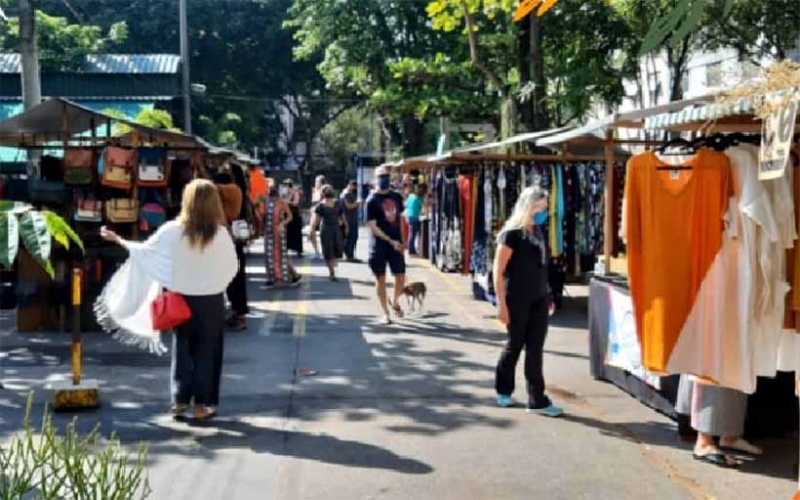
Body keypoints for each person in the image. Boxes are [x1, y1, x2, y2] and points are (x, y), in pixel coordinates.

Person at [98, 179, 238, 421]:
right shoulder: (221, 233)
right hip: (211, 303)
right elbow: (232, 267)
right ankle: (201, 406)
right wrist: (213, 284)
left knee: (182, 349)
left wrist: (118, 240)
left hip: (180, 299)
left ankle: (179, 401)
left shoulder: (172, 231)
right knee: (207, 352)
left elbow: (145, 252)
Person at [494, 185, 563, 418]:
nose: (544, 212)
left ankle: (537, 400)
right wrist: (501, 305)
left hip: (539, 298)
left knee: (536, 349)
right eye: (540, 207)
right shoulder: (511, 234)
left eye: (545, 208)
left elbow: (544, 266)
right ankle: (504, 390)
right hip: (516, 298)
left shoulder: (539, 232)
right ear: (529, 206)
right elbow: (498, 270)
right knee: (515, 344)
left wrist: (550, 294)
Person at [366, 165, 406, 325]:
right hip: (379, 245)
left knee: (401, 277)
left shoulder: (396, 196)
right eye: (381, 176)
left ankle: (395, 301)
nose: (384, 178)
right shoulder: (371, 200)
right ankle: (385, 313)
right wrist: (391, 241)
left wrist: (403, 242)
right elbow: (373, 226)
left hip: (396, 244)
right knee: (380, 278)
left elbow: (401, 220)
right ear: (376, 178)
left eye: (387, 176)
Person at [216, 164, 250, 331]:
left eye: (224, 168)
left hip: (230, 238)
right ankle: (238, 314)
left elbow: (208, 186)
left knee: (234, 278)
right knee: (233, 278)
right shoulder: (238, 190)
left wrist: (199, 167)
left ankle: (240, 315)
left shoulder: (231, 189)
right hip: (234, 238)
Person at [264, 187, 301, 288]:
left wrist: (282, 224)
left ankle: (294, 275)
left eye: (275, 198)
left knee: (282, 255)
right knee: (269, 255)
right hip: (268, 231)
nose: (273, 200)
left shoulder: (282, 203)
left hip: (279, 232)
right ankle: (271, 279)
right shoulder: (266, 201)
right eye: (271, 198)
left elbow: (290, 216)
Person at [311, 185, 347, 281]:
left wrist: (346, 226)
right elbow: (316, 221)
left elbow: (342, 216)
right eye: (326, 190)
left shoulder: (337, 203)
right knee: (328, 251)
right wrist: (312, 231)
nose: (329, 191)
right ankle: (331, 272)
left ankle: (332, 266)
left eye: (330, 189)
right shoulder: (320, 206)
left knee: (337, 250)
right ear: (323, 193)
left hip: (336, 229)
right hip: (326, 230)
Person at [282, 179, 304, 257]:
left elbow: (295, 203)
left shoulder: (295, 192)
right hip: (286, 214)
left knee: (296, 232)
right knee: (286, 233)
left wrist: (288, 202)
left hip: (294, 214)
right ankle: (286, 248)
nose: (285, 187)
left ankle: (298, 250)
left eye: (286, 185)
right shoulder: (284, 193)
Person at [341, 180, 361, 262]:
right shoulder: (347, 194)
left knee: (352, 237)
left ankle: (350, 254)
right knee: (351, 237)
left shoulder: (349, 194)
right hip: (349, 219)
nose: (355, 188)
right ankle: (349, 255)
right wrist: (357, 203)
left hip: (351, 218)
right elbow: (348, 206)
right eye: (354, 186)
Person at [404, 183, 426, 256]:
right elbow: (425, 209)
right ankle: (411, 250)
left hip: (409, 216)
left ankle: (411, 249)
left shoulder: (411, 196)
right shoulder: (420, 198)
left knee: (412, 234)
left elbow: (406, 204)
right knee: (416, 234)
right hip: (415, 217)